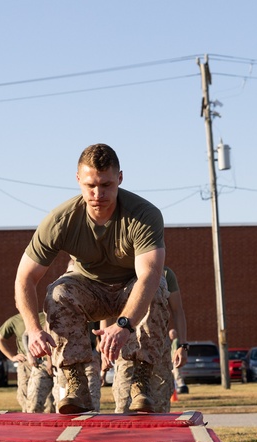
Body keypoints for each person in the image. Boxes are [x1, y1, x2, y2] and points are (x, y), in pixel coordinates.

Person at [15, 143, 170, 414]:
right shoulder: (61, 220)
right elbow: (24, 278)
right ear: (78, 180)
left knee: (158, 288)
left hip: (129, 289)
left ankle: (140, 381)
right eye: (90, 186)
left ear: (120, 178)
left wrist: (124, 325)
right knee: (57, 293)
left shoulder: (144, 215)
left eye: (107, 185)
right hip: (89, 290)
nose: (98, 194)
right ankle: (75, 382)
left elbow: (149, 274)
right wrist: (33, 330)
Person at [113, 265, 188, 413]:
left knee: (159, 406)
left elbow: (177, 310)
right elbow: (111, 310)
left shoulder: (165, 273)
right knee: (124, 407)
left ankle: (158, 437)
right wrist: (104, 343)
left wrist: (183, 345)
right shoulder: (121, 272)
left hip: (157, 348)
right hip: (127, 347)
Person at [0, 312, 49, 412]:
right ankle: (29, 422)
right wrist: (12, 357)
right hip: (26, 364)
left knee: (47, 401)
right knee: (25, 398)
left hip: (44, 363)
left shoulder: (44, 317)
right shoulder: (14, 320)